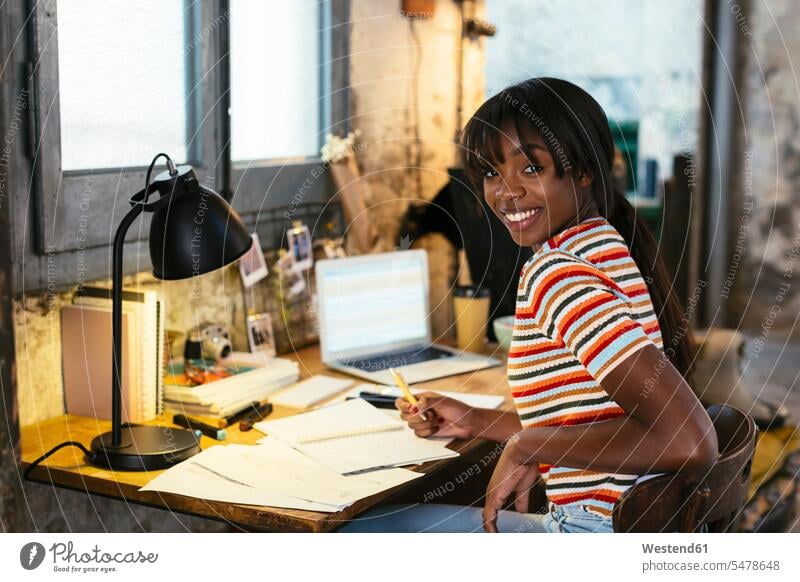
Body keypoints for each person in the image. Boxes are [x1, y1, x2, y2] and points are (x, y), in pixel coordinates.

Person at [338, 77, 717, 533]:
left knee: (356, 530)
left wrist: (528, 445)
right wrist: (479, 420)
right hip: (609, 524)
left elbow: (689, 440)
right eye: (492, 173)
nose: (506, 191)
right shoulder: (602, 243)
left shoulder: (558, 273)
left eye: (531, 169)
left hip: (587, 532)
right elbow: (596, 415)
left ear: (582, 171)